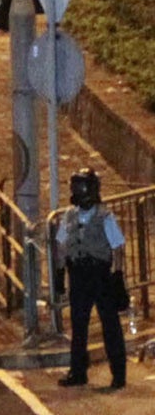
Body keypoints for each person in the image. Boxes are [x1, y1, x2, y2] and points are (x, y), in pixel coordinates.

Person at [55, 167, 128, 390]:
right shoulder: (69, 215)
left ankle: (118, 374)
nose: (78, 191)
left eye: (82, 186)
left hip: (100, 275)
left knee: (110, 325)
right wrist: (59, 274)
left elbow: (117, 247)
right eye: (76, 186)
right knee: (78, 325)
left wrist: (117, 275)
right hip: (78, 274)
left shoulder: (105, 217)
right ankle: (78, 372)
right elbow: (61, 245)